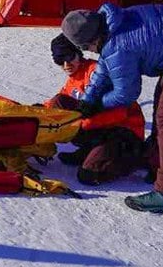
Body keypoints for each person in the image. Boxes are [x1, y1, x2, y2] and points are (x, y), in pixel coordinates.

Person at [61, 2, 163, 216]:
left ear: (89, 42)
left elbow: (126, 93)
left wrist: (98, 105)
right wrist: (87, 99)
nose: (89, 52)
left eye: (85, 48)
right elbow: (105, 66)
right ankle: (154, 162)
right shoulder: (110, 25)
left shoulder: (118, 44)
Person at [46, 34, 146, 186]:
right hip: (100, 129)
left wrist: (85, 124)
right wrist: (36, 111)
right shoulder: (75, 77)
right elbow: (59, 100)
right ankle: (90, 150)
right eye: (60, 60)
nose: (66, 64)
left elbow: (121, 112)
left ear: (78, 53)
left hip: (123, 132)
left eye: (69, 57)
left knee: (87, 175)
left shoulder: (97, 73)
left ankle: (136, 158)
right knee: (58, 102)